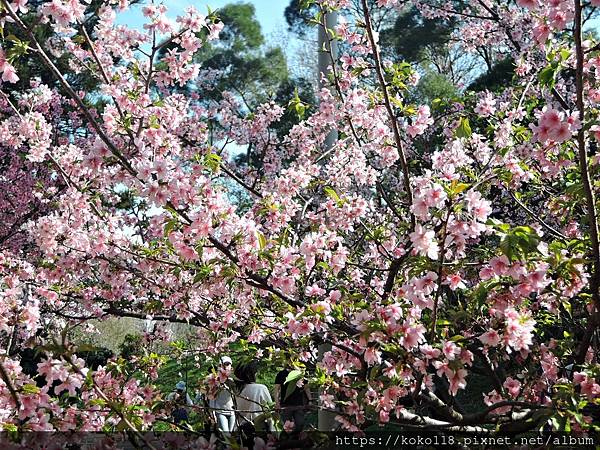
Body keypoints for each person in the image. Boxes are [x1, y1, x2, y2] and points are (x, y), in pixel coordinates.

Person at [234, 361, 273, 434]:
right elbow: (269, 412)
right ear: (253, 374)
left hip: (239, 430)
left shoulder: (235, 390)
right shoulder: (260, 388)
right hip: (258, 429)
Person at [274, 366, 311, 432]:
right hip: (285, 405)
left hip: (299, 404)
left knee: (300, 424)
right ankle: (289, 440)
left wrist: (310, 400)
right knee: (286, 426)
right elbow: (277, 389)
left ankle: (298, 439)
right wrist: (277, 403)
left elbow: (306, 387)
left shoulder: (300, 373)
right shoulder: (281, 374)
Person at [209, 356, 236, 434]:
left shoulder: (232, 380)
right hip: (220, 411)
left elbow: (236, 394)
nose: (226, 367)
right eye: (223, 365)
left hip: (232, 411)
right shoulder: (215, 380)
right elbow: (211, 397)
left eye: (228, 364)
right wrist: (212, 412)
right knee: (226, 434)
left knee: (231, 434)